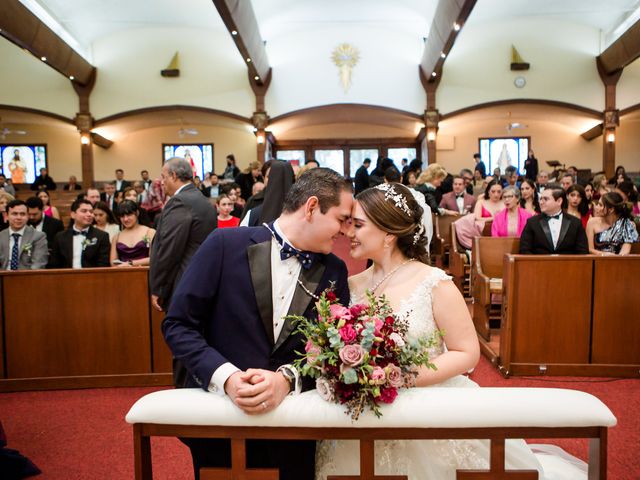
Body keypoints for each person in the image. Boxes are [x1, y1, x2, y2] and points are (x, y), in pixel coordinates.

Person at [319, 183, 584, 479]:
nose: (348, 233)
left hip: (428, 406)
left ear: (389, 232)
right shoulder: (351, 285)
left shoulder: (433, 282)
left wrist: (401, 377)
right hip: (364, 412)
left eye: (358, 225)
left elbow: (466, 353)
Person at [162, 167, 353, 480]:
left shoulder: (335, 270)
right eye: (341, 218)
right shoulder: (224, 244)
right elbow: (178, 324)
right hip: (221, 423)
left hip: (294, 432)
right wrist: (227, 377)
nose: (344, 230)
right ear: (312, 207)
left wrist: (287, 379)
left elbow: (335, 349)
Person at [149, 157, 217, 316]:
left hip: (182, 282)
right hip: (201, 279)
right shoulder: (203, 200)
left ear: (173, 176)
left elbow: (170, 248)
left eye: (163, 177)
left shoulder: (180, 201)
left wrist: (159, 288)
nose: (161, 182)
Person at [519, 186, 588, 254]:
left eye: (545, 199)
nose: (541, 202)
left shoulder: (575, 223)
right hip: (540, 264)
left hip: (568, 264)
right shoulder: (532, 222)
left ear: (559, 201)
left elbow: (582, 251)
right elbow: (524, 250)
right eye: (540, 199)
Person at [49, 199, 111, 268]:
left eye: (91, 211)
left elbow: (103, 265)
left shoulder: (101, 236)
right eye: (84, 211)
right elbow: (54, 264)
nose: (89, 214)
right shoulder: (60, 237)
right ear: (73, 215)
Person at [242, 160, 295, 227]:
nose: (276, 181)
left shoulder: (300, 205)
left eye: (281, 178)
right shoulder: (253, 202)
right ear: (263, 178)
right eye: (270, 177)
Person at [0, 199, 48, 270]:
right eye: (14, 214)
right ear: (6, 216)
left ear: (27, 216)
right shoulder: (1, 236)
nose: (19, 218)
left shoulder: (38, 236)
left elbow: (38, 264)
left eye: (22, 214)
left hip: (28, 278)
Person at [110, 200, 155, 266]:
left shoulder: (150, 232)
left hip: (145, 273)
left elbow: (154, 258)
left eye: (129, 215)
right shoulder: (116, 237)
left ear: (137, 213)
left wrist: (131, 263)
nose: (125, 219)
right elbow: (113, 263)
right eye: (122, 216)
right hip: (123, 274)